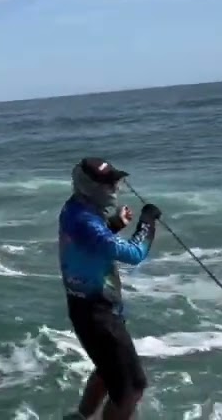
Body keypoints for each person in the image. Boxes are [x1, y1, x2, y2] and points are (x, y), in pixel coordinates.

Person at [58, 157, 163, 420]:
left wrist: (114, 226)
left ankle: (80, 418)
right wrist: (148, 222)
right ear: (90, 187)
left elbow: (89, 245)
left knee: (107, 373)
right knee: (131, 388)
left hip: (88, 307)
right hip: (97, 314)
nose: (115, 188)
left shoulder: (75, 209)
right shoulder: (84, 220)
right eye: (108, 184)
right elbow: (135, 253)